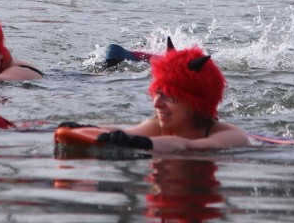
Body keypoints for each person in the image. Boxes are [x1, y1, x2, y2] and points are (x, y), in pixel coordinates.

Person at [64, 38, 250, 152]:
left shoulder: (232, 137)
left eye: (169, 96)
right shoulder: (158, 126)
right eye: (157, 93)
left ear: (196, 101)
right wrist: (83, 128)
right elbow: (124, 133)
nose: (157, 103)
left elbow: (188, 147)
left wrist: (139, 144)